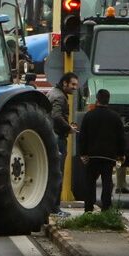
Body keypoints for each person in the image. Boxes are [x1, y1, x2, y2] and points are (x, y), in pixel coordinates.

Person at [78, 89, 125, 212]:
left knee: (90, 182)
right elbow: (121, 138)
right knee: (107, 182)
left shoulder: (89, 116)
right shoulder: (115, 117)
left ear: (96, 100)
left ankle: (88, 209)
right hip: (108, 156)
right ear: (108, 100)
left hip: (91, 156)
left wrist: (83, 153)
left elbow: (83, 136)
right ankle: (106, 208)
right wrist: (121, 154)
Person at [46, 72, 79, 217]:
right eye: (72, 84)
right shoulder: (59, 96)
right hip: (57, 138)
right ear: (65, 83)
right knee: (58, 173)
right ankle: (55, 207)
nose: (74, 88)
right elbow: (56, 116)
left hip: (51, 136)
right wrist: (68, 128)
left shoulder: (53, 92)